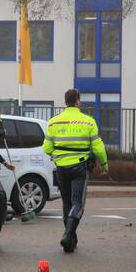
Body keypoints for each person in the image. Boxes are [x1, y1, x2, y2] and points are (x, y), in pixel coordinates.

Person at [43, 89, 108, 253]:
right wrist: (104, 164)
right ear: (77, 101)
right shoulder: (88, 121)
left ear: (65, 102)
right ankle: (68, 234)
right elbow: (98, 147)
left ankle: (71, 239)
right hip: (80, 167)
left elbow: (46, 148)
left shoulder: (53, 122)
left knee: (67, 202)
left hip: (61, 168)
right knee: (78, 202)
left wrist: (59, 156)